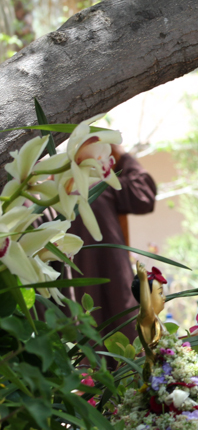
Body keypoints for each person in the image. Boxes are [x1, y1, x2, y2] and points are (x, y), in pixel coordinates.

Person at [70, 143, 157, 344]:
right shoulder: (101, 186)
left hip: (74, 311)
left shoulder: (50, 195)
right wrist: (121, 154)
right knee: (124, 356)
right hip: (116, 298)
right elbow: (143, 192)